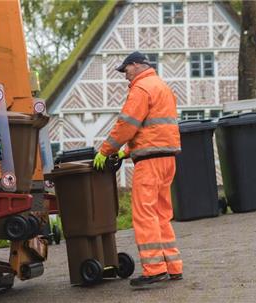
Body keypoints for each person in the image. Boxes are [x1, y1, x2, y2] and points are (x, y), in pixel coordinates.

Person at [93, 51, 183, 288]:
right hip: (167, 160)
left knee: (144, 214)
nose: (125, 76)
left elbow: (127, 125)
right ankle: (173, 266)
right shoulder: (163, 87)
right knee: (162, 214)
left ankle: (154, 269)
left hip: (150, 164)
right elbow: (155, 130)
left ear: (136, 65)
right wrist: (126, 152)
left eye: (126, 70)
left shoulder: (141, 89)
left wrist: (106, 151)